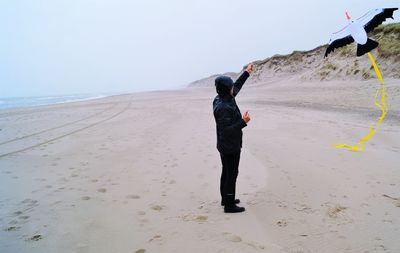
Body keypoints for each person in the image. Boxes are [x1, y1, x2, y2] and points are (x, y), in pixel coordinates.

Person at [213, 64, 254, 213]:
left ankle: (226, 198)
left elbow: (237, 86)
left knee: (226, 171)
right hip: (229, 146)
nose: (233, 89)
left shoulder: (222, 98)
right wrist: (243, 122)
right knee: (231, 173)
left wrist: (247, 73)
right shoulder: (223, 106)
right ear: (226, 90)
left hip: (225, 145)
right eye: (230, 87)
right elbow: (227, 130)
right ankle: (229, 205)